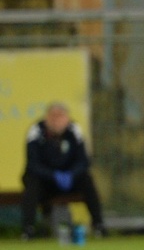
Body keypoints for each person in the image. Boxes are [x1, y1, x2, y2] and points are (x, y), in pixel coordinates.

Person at [21, 102, 107, 240]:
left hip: (69, 179)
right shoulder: (36, 131)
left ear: (67, 118)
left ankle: (99, 226)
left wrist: (71, 174)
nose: (56, 121)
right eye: (53, 116)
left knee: (87, 180)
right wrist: (53, 176)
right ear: (46, 118)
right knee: (32, 183)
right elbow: (33, 164)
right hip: (46, 181)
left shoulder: (74, 130)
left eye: (60, 117)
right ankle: (28, 229)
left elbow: (84, 161)